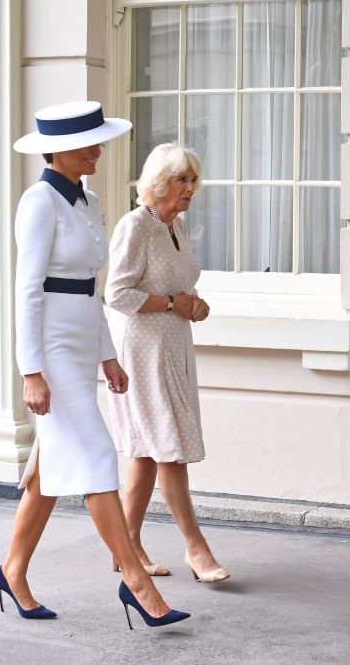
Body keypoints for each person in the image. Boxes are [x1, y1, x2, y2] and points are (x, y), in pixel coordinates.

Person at [0, 101, 189, 629]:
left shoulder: (88, 200)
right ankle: (136, 582)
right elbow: (27, 290)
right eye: (88, 144)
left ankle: (12, 571)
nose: (97, 151)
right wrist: (30, 370)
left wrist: (108, 356)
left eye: (98, 141)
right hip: (52, 349)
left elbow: (91, 289)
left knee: (47, 474)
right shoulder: (39, 202)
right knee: (98, 455)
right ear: (58, 149)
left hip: (82, 344)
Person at [105, 143, 230, 583]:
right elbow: (116, 293)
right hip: (141, 351)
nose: (190, 188)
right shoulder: (135, 225)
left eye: (193, 180)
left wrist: (194, 306)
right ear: (158, 183)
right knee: (168, 449)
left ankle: (127, 546)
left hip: (173, 349)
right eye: (182, 179)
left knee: (145, 453)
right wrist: (175, 302)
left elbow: (178, 290)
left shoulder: (175, 227)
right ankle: (197, 549)